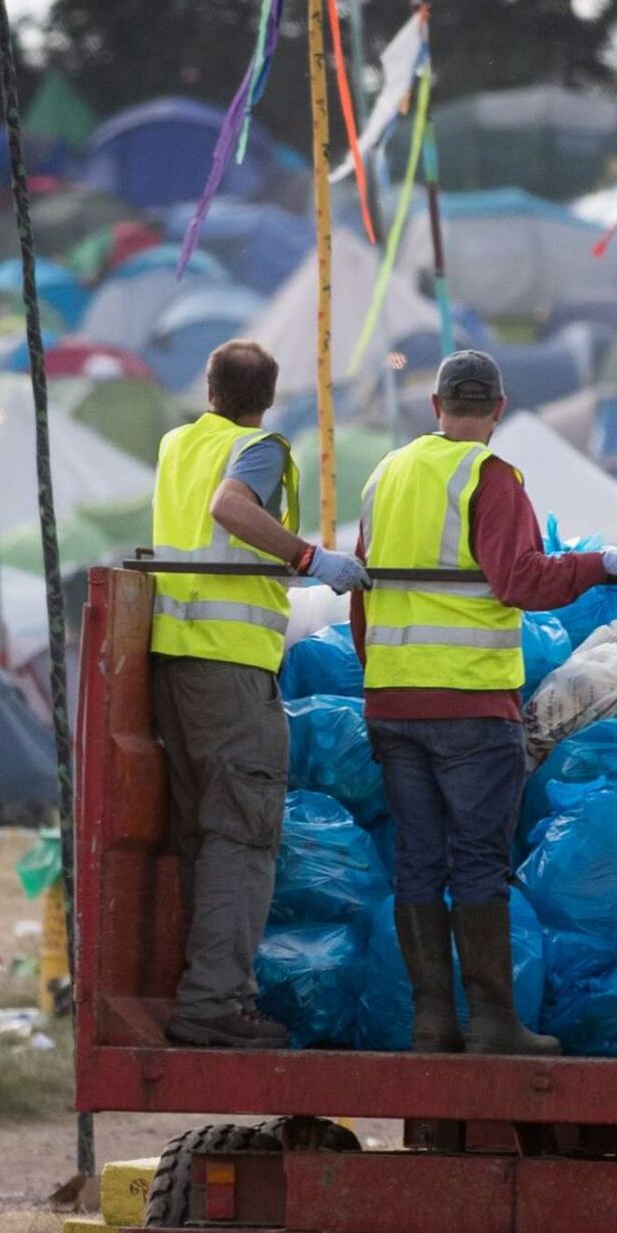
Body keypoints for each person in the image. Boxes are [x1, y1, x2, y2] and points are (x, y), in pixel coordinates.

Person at [351, 350, 617, 1055]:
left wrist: (379, 678)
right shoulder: (489, 477)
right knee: (478, 863)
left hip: (393, 702)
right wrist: (599, 564)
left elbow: (361, 588)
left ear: (435, 407)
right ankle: (493, 1023)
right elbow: (519, 578)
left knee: (419, 861)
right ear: (498, 409)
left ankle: (432, 1021)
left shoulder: (387, 474)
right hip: (467, 702)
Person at [148, 340, 369, 1048]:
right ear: (267, 399)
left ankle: (200, 992)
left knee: (204, 838)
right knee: (242, 838)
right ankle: (214, 1006)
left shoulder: (178, 445)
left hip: (174, 664)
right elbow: (230, 508)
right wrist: (309, 558)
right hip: (230, 668)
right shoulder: (260, 448)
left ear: (209, 388)